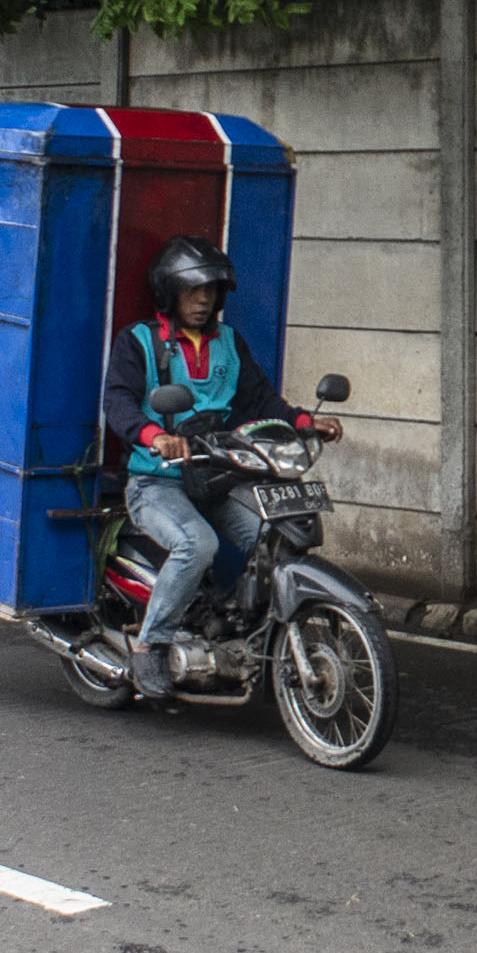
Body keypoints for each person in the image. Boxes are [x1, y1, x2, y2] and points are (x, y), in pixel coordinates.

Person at [118, 236, 339, 691]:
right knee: (196, 544)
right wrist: (155, 435)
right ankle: (150, 644)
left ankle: (247, 633)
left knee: (270, 535)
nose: (203, 300)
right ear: (169, 291)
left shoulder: (228, 343)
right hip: (156, 482)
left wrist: (303, 421)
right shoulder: (139, 341)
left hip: (215, 479)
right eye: (192, 290)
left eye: (211, 291)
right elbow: (117, 401)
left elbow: (258, 399)